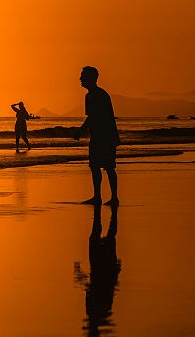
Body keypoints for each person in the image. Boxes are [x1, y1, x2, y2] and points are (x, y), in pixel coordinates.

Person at [74, 66, 121, 206]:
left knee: (109, 167)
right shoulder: (90, 95)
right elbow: (91, 117)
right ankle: (98, 196)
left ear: (90, 78)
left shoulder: (99, 95)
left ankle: (113, 198)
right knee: (95, 167)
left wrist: (80, 131)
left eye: (83, 76)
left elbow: (93, 117)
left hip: (106, 137)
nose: (80, 79)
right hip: (98, 136)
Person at [74, 204, 121, 335]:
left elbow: (92, 289)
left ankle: (103, 213)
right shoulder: (103, 310)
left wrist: (81, 275)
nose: (87, 323)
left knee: (101, 237)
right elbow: (99, 288)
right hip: (103, 269)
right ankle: (106, 213)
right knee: (106, 237)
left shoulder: (97, 310)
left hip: (100, 269)